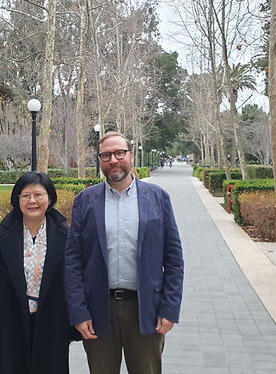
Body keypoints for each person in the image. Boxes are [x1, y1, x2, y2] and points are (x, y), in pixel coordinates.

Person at [65, 131, 184, 374]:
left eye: (119, 153)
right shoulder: (84, 201)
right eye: (106, 155)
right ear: (99, 160)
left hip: (146, 310)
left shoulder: (158, 198)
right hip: (98, 309)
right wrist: (78, 311)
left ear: (130, 156)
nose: (113, 160)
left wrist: (169, 309)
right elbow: (73, 262)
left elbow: (173, 259)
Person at [0, 172, 77, 374]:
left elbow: (74, 281)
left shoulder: (66, 236)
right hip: (9, 322)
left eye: (38, 195)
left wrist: (72, 326)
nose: (32, 201)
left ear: (49, 198)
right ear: (17, 199)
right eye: (25, 195)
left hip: (52, 323)